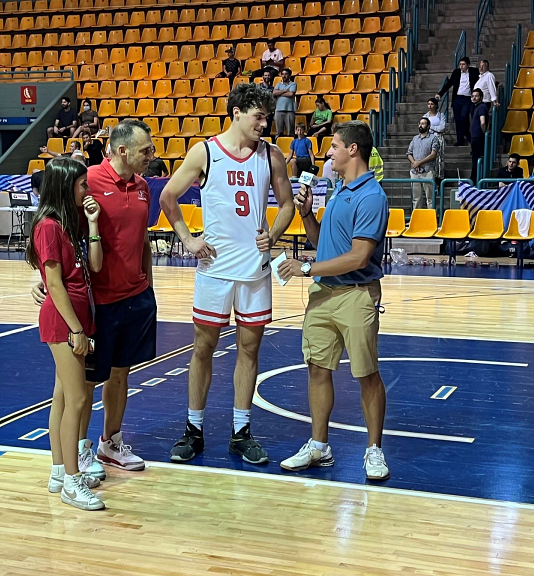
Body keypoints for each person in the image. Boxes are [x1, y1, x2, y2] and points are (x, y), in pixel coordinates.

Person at [159, 82, 295, 464]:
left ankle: (241, 431)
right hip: (214, 268)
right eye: (259, 116)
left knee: (249, 350)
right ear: (236, 112)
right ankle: (193, 428)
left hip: (254, 269)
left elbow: (285, 205)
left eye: (267, 117)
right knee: (203, 348)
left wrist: (274, 232)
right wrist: (186, 238)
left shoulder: (272, 155)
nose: (265, 124)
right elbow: (168, 196)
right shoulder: (205, 152)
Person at [33, 120, 157, 473]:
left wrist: (147, 281)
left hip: (136, 295)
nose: (151, 155)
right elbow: (56, 233)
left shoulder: (144, 186)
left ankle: (110, 443)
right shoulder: (87, 183)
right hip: (96, 302)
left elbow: (142, 238)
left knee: (122, 373)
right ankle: (79, 450)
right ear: (122, 151)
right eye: (145, 150)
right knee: (84, 384)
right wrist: (43, 278)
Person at [276, 120, 390, 481]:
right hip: (323, 296)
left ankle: (374, 450)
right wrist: (308, 214)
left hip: (356, 296)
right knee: (317, 369)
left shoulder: (372, 196)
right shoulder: (340, 188)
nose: (328, 152)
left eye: (334, 146)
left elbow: (358, 257)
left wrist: (307, 269)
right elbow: (323, 241)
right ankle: (318, 444)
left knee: (366, 374)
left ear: (353, 149)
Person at [26, 157, 105, 511]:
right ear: (65, 186)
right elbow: (54, 284)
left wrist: (91, 223)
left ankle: (60, 470)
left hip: (74, 317)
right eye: (82, 184)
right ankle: (73, 482)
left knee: (62, 398)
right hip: (63, 321)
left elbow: (91, 267)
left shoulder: (67, 223)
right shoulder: (47, 226)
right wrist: (77, 330)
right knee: (76, 400)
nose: (87, 190)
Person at [436, 56, 479, 146]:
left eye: (463, 64)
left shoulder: (474, 71)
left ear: (468, 65)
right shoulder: (456, 72)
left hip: (467, 99)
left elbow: (483, 79)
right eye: (460, 64)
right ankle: (460, 140)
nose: (461, 66)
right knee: (458, 120)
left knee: (464, 117)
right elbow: (449, 84)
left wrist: (496, 84)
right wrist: (440, 93)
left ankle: (467, 135)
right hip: (457, 99)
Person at [407, 118, 439, 209]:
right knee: (416, 198)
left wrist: (419, 163)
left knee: (430, 198)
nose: (421, 125)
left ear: (428, 126)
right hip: (415, 172)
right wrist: (414, 163)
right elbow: (409, 153)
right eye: (420, 123)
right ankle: (416, 219)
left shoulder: (433, 138)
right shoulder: (415, 138)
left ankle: (431, 219)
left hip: (428, 171)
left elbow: (433, 155)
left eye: (423, 124)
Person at [423, 98, 446, 179]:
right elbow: (424, 127)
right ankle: (431, 174)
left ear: (435, 105)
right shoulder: (425, 116)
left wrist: (430, 127)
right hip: (428, 138)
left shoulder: (441, 115)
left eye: (432, 104)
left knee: (440, 158)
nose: (430, 106)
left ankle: (440, 176)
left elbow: (442, 128)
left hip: (439, 138)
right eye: (428, 104)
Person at [469, 89, 488, 184]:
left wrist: (483, 132)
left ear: (481, 97)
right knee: (474, 158)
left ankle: (474, 180)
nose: (474, 97)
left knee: (476, 159)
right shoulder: (475, 107)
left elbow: (483, 122)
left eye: (476, 96)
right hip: (475, 136)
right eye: (472, 96)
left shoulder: (482, 107)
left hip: (478, 136)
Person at [273, 68, 296, 137]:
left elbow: (291, 94)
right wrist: (285, 90)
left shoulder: (293, 84)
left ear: (289, 76)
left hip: (289, 110)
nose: (284, 76)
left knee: (290, 132)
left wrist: (279, 93)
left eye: (286, 74)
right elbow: (274, 93)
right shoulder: (278, 84)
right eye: (282, 74)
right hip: (278, 110)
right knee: (278, 133)